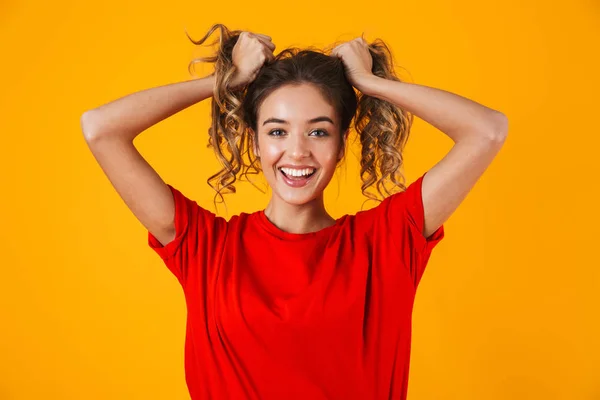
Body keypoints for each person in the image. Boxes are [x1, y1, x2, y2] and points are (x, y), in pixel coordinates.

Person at [81, 23, 508, 400]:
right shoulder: (206, 248)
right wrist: (224, 81)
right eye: (277, 131)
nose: (297, 151)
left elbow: (486, 131)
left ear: (341, 145)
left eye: (319, 131)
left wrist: (368, 82)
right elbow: (101, 128)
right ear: (255, 142)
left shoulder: (386, 242)